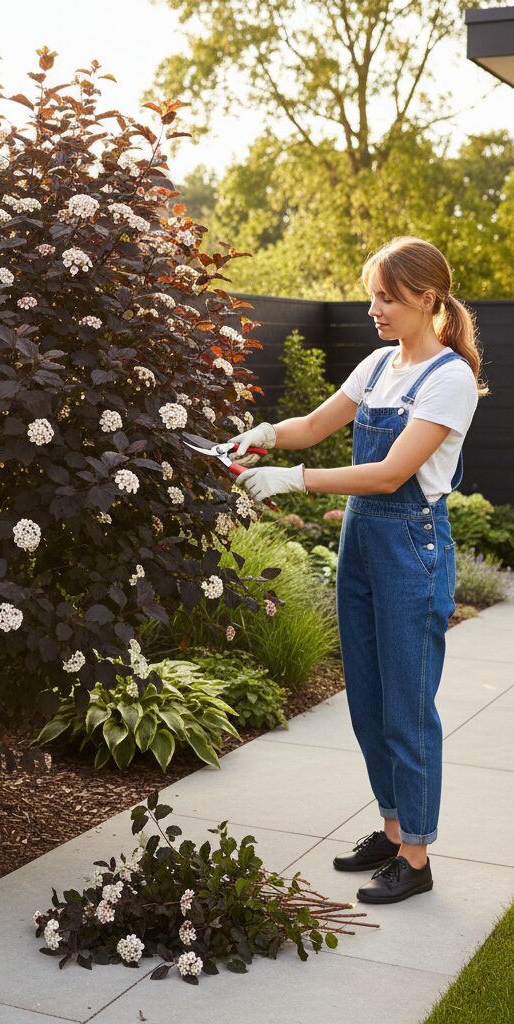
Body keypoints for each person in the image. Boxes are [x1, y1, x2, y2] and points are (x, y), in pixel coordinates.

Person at [227, 236, 487, 905]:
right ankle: (392, 829)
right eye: (373, 294)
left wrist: (292, 480)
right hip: (362, 544)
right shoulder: (377, 365)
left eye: (388, 298)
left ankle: (418, 857)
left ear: (427, 300)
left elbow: (391, 472)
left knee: (407, 705)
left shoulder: (450, 378)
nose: (376, 307)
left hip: (410, 545)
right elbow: (314, 423)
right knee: (368, 700)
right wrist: (263, 436)